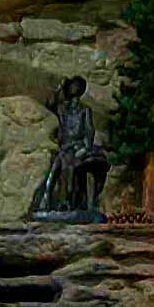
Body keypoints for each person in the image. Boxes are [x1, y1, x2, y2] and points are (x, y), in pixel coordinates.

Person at [30, 75, 109, 215]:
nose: (74, 88)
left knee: (70, 166)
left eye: (77, 86)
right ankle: (46, 201)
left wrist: (84, 148)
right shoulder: (62, 108)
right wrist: (59, 89)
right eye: (72, 85)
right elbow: (50, 104)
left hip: (77, 147)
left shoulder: (85, 110)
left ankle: (69, 202)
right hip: (63, 147)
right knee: (54, 168)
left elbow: (89, 131)